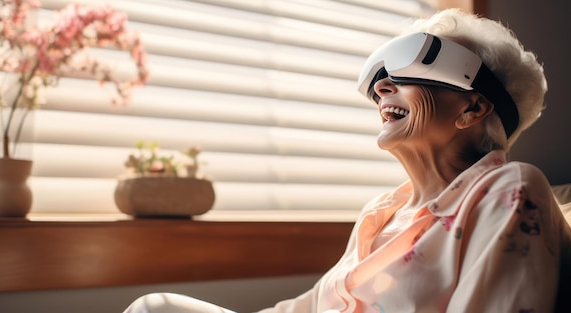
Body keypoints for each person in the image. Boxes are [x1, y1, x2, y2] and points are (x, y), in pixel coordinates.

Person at [122, 8, 571, 313]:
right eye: (379, 76)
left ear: (472, 109)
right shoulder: (381, 213)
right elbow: (310, 305)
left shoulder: (510, 191)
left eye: (410, 65)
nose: (381, 88)